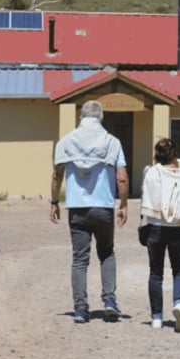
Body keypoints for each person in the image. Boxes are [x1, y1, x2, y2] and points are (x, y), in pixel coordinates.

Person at [51, 100, 128, 323]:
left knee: (79, 259)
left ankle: (80, 309)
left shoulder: (66, 142)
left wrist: (54, 201)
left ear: (80, 118)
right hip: (103, 206)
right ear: (101, 117)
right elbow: (121, 177)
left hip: (77, 207)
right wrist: (123, 204)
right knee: (106, 253)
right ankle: (110, 301)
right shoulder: (112, 142)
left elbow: (57, 174)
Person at [139, 137, 180, 331]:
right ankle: (179, 303)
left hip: (155, 226)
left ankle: (156, 317)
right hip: (178, 228)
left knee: (155, 273)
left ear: (157, 155)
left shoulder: (151, 172)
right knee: (179, 270)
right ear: (175, 154)